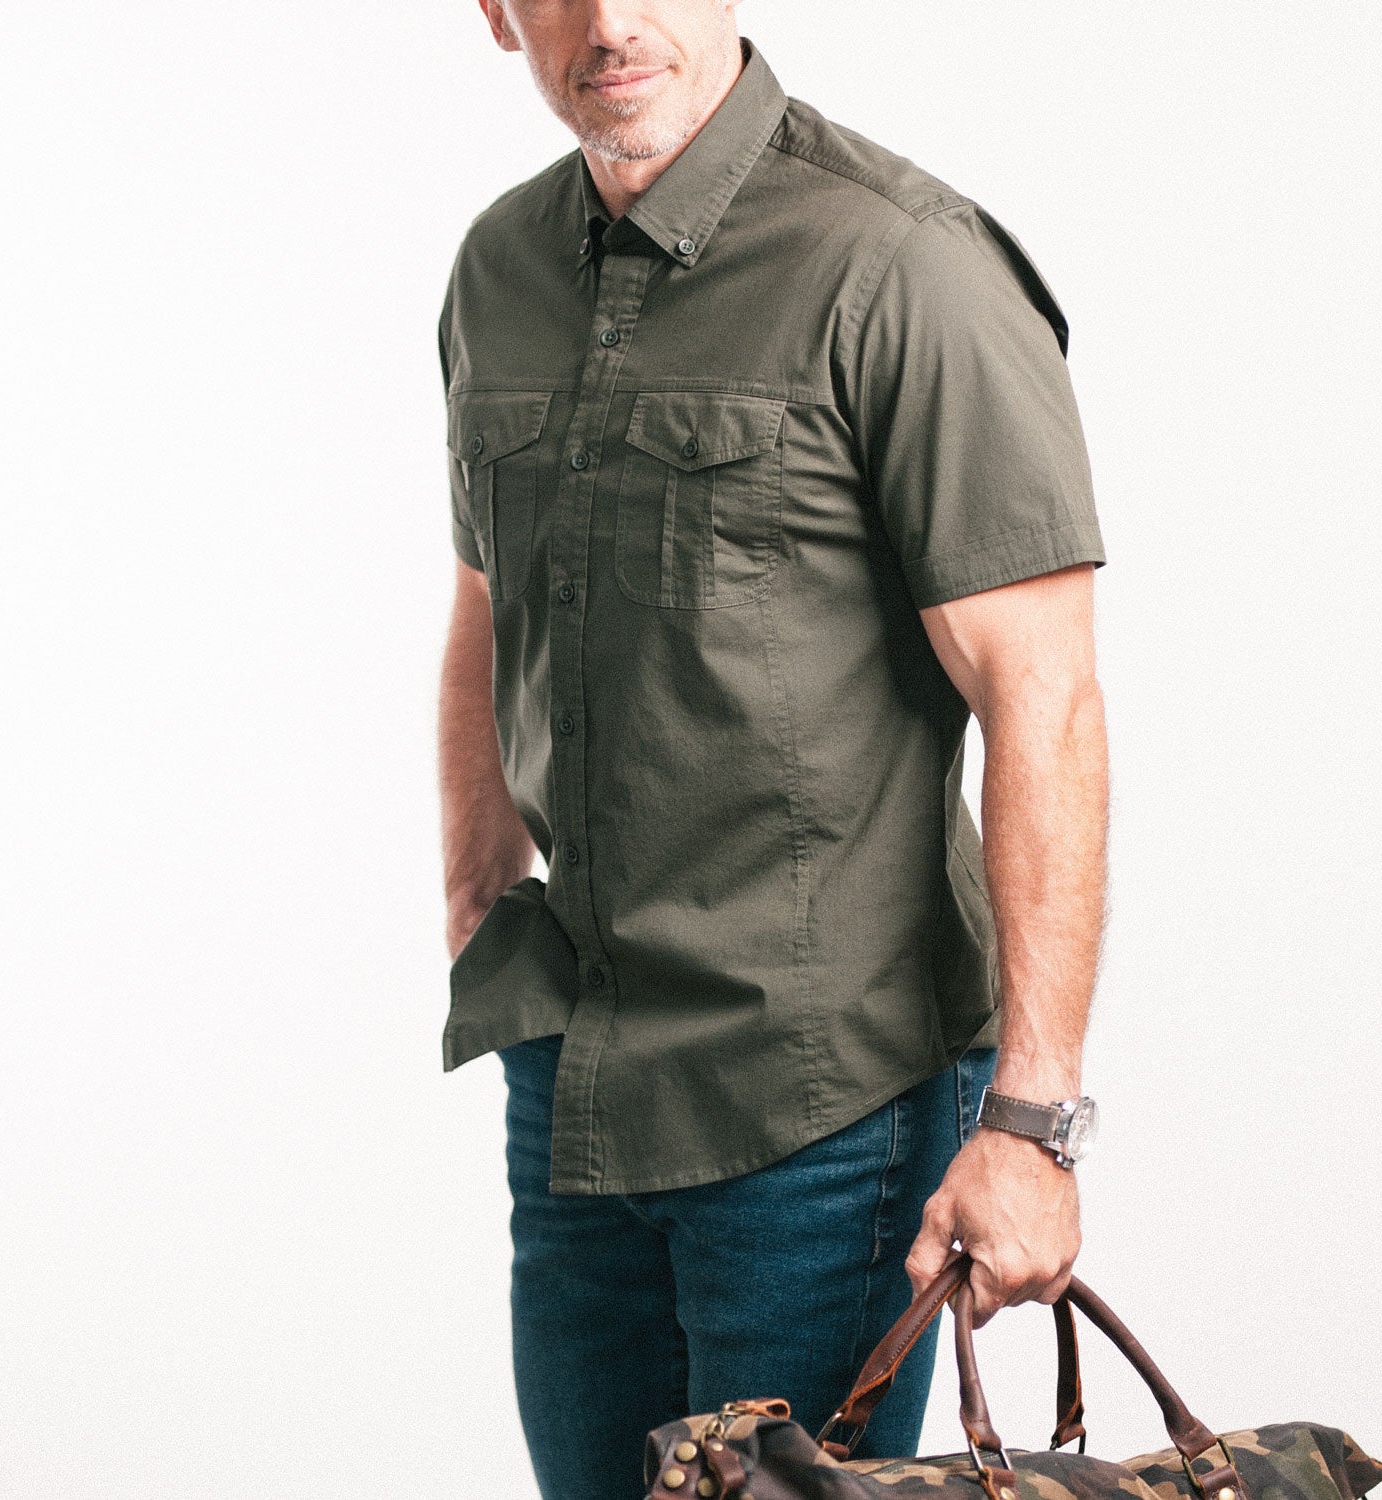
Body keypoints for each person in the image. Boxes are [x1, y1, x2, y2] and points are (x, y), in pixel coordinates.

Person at [437, 4, 1109, 1495]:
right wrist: (477, 893)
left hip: (820, 1110)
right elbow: (487, 591)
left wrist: (1033, 1125)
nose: (611, 21)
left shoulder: (905, 265)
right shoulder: (498, 269)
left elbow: (1043, 694)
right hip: (573, 1074)